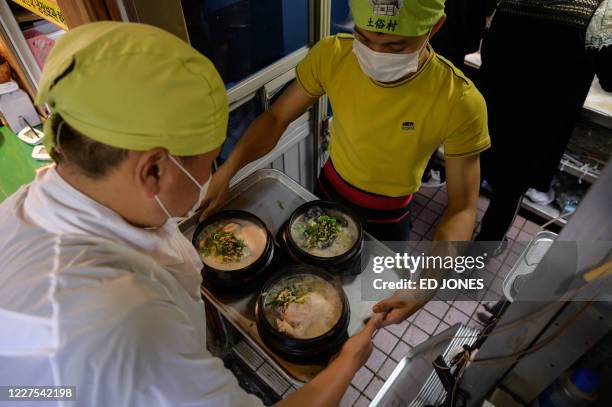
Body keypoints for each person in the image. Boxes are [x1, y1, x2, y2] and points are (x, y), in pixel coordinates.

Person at [0, 22, 381, 407]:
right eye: (208, 160)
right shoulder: (126, 319)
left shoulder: (20, 209)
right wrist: (348, 362)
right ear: (153, 171)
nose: (210, 175)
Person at [202, 0, 491, 324]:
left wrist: (426, 285)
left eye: (396, 46)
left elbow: (462, 209)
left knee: (362, 315)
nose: (377, 56)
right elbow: (276, 117)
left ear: (434, 28)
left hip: (387, 224)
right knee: (301, 297)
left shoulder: (459, 100)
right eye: (365, 39)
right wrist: (228, 170)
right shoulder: (334, 55)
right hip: (325, 199)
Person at [475, 0, 612, 252]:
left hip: (492, 106)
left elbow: (487, 42)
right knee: (511, 187)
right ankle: (486, 245)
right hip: (539, 122)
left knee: (476, 167)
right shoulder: (598, 10)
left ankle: (459, 223)